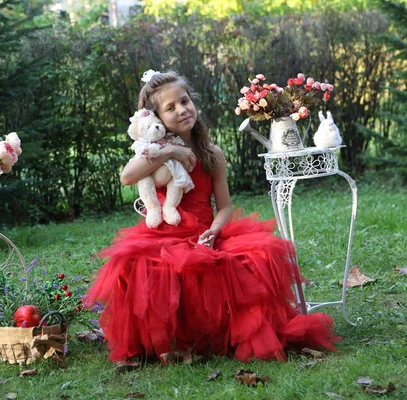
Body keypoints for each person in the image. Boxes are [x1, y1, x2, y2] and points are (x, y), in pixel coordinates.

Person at [84, 70, 340, 363]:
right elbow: (127, 177)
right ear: (156, 118)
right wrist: (169, 151)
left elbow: (226, 207)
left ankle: (209, 337)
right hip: (166, 231)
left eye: (184, 101)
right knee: (138, 263)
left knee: (254, 256)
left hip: (205, 230)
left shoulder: (212, 153)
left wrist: (216, 230)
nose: (182, 110)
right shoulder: (155, 151)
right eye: (170, 108)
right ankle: (169, 339)